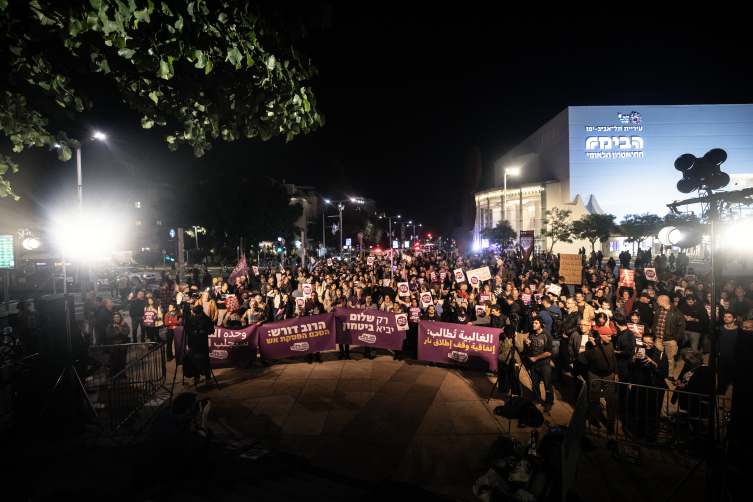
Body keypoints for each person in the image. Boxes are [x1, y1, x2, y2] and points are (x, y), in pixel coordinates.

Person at [138, 392, 215, 487]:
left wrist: (192, 415)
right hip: (159, 466)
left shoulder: (169, 412)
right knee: (211, 466)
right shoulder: (172, 428)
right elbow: (199, 443)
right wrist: (204, 418)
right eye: (195, 404)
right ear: (187, 411)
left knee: (207, 433)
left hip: (162, 454)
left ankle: (192, 464)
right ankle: (171, 481)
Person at [585, 324, 619, 433]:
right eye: (608, 336)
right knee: (594, 398)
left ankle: (610, 423)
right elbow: (591, 359)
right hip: (595, 375)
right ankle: (594, 419)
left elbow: (613, 359)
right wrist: (594, 346)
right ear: (601, 335)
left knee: (610, 400)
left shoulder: (610, 345)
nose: (610, 338)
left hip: (609, 375)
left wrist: (616, 373)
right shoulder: (590, 345)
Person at [651, 295, 686, 382]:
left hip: (670, 339)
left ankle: (670, 375)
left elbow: (681, 326)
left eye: (658, 300)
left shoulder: (677, 312)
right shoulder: (659, 310)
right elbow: (655, 322)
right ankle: (657, 372)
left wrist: (676, 339)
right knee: (657, 356)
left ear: (663, 301)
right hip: (658, 338)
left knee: (670, 358)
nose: (657, 302)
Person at [524, 318, 554, 412]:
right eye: (533, 322)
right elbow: (531, 348)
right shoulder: (531, 334)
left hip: (544, 365)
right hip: (533, 365)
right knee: (534, 384)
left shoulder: (546, 336)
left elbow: (548, 353)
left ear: (542, 325)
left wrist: (536, 358)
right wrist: (528, 344)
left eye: (536, 323)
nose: (534, 324)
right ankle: (536, 399)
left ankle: (549, 402)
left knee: (547, 385)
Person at [183, 305, 214, 387]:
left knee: (205, 360)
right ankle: (196, 377)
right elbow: (186, 331)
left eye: (198, 314)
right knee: (194, 360)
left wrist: (204, 332)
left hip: (203, 342)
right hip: (193, 342)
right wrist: (193, 333)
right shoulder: (191, 319)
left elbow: (212, 330)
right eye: (195, 314)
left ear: (201, 312)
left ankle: (208, 378)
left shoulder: (207, 319)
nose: (197, 315)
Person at [72, 319, 103, 393]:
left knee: (94, 365)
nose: (85, 327)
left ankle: (83, 387)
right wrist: (86, 335)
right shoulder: (76, 335)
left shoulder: (78, 334)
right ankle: (82, 385)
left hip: (83, 356)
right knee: (96, 364)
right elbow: (85, 345)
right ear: (80, 326)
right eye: (84, 325)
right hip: (82, 357)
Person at [717, 312, 739, 395]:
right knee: (721, 375)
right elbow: (715, 342)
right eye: (725, 316)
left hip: (734, 357)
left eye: (729, 317)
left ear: (734, 319)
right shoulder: (719, 329)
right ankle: (720, 391)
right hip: (722, 356)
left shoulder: (739, 331)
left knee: (735, 376)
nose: (726, 318)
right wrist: (717, 352)